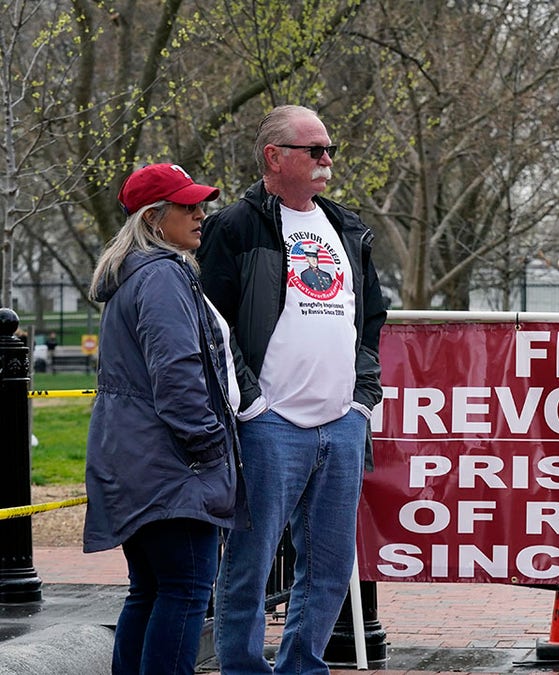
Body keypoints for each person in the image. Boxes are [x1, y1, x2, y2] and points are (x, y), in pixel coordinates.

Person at [198, 104, 387, 674]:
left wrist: (361, 399)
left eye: (330, 148)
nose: (328, 159)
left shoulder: (348, 228)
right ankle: (244, 668)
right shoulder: (234, 226)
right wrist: (251, 402)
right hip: (269, 424)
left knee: (330, 567)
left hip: (341, 421)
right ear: (274, 157)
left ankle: (302, 667)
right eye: (315, 149)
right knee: (250, 566)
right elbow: (212, 322)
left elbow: (372, 319)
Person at [84, 163, 243, 674]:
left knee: (150, 590)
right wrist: (210, 446)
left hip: (138, 460)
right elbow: (176, 372)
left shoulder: (137, 273)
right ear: (154, 218)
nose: (201, 214)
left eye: (201, 204)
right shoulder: (162, 275)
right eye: (188, 205)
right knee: (186, 591)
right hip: (172, 467)